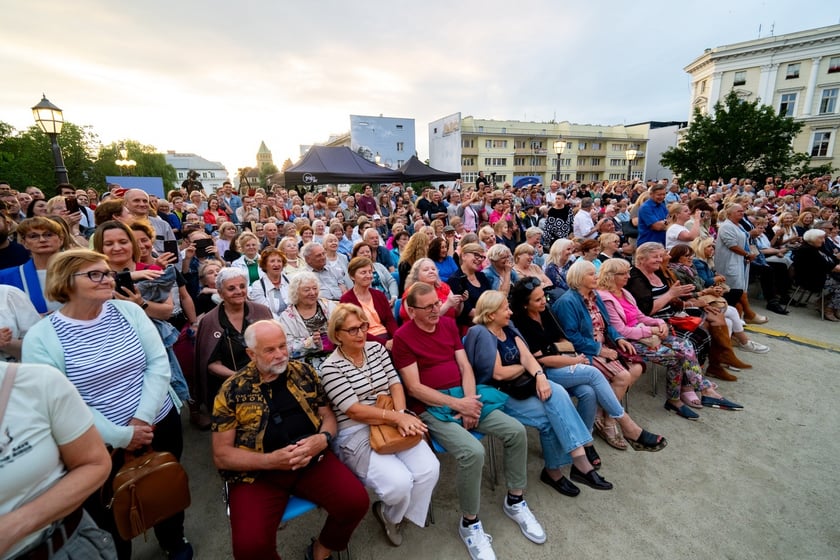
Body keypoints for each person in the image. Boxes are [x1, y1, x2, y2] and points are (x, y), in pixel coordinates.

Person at [22, 249, 193, 560]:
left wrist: (141, 420)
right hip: (93, 442)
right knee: (109, 511)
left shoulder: (129, 312)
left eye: (107, 273)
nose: (108, 279)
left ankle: (173, 538)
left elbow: (157, 365)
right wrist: (121, 436)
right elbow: (59, 401)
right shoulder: (41, 337)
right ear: (65, 281)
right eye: (95, 274)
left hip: (158, 421)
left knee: (165, 485)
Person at [392, 282, 547, 560]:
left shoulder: (448, 325)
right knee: (473, 452)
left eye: (436, 303)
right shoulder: (403, 337)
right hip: (432, 407)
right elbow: (414, 388)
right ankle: (470, 522)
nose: (435, 310)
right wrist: (457, 404)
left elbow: (465, 366)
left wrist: (468, 401)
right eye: (427, 307)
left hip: (467, 397)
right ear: (410, 310)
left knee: (515, 431)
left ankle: (515, 500)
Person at [211, 320, 368, 560]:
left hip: (311, 459)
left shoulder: (303, 372)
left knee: (355, 503)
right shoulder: (231, 390)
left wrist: (323, 438)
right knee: (249, 548)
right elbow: (222, 456)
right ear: (251, 354)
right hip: (258, 475)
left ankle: (321, 551)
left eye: (282, 346)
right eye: (270, 350)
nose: (280, 354)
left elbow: (327, 415)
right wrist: (271, 461)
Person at [465, 291, 614, 497]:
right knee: (550, 418)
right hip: (500, 394)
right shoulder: (480, 333)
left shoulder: (507, 328)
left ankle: (577, 459)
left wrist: (540, 376)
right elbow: (498, 373)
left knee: (557, 391)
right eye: (505, 309)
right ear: (490, 315)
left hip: (522, 386)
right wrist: (528, 369)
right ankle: (560, 469)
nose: (510, 312)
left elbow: (528, 357)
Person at [320, 304, 439, 547]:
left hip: (392, 418)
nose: (361, 333)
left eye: (363, 326)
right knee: (399, 483)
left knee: (429, 469)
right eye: (352, 330)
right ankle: (394, 509)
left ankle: (393, 516)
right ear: (337, 334)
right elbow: (353, 410)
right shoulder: (330, 368)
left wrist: (401, 413)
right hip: (356, 430)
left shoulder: (376, 349)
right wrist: (397, 418)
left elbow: (395, 384)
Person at [510, 276, 666, 461]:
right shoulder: (521, 322)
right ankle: (628, 426)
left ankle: (586, 442)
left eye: (543, 296)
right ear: (525, 305)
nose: (544, 300)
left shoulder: (545, 311)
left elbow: (563, 339)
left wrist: (568, 354)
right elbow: (540, 359)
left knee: (588, 392)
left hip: (563, 361)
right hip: (542, 372)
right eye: (537, 299)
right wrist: (573, 361)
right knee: (593, 373)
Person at [597, 258, 742, 420]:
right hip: (626, 342)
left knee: (686, 345)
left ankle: (697, 391)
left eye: (627, 273)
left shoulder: (624, 292)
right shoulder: (606, 298)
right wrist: (652, 330)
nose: (628, 277)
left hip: (643, 334)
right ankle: (682, 397)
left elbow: (640, 316)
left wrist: (659, 323)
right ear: (610, 276)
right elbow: (621, 330)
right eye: (623, 274)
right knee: (676, 357)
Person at [0, 361, 115, 560]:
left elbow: (95, 463)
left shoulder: (37, 382)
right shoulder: (41, 339)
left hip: (61, 544)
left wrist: (14, 526)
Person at [552, 260, 646, 445]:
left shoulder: (595, 296)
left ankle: (603, 416)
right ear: (579, 278)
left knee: (634, 368)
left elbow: (608, 325)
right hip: (584, 352)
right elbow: (571, 337)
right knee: (623, 377)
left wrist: (619, 339)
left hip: (605, 347)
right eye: (591, 274)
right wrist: (599, 350)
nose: (596, 277)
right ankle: (610, 423)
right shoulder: (567, 302)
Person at [195, 267, 273, 412]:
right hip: (231, 388)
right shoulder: (209, 321)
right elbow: (211, 363)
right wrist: (241, 377)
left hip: (268, 381)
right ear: (220, 293)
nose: (238, 291)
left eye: (242, 286)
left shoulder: (262, 311)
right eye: (231, 288)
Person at [0, 217, 65, 315]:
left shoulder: (80, 270)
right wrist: (29, 321)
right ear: (24, 243)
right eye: (33, 236)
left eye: (48, 235)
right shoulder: (6, 277)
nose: (42, 240)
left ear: (61, 239)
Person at [340, 257, 398, 349]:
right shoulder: (347, 300)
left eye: (370, 272)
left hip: (388, 336)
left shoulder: (379, 295)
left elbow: (389, 320)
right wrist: (384, 343)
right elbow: (354, 330)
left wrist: (396, 338)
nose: (368, 275)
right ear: (352, 276)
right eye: (363, 272)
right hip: (365, 340)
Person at [277, 271, 337, 359]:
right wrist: (310, 342)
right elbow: (287, 347)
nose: (312, 293)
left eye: (315, 288)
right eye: (307, 290)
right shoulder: (287, 317)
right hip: (306, 362)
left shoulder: (329, 306)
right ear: (296, 292)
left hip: (336, 355)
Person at [793, 229, 840, 321]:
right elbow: (830, 266)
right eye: (821, 238)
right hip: (811, 279)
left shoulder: (819, 248)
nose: (823, 241)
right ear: (812, 239)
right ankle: (829, 309)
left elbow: (832, 260)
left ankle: (826, 304)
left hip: (823, 275)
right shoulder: (807, 250)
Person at [446, 243, 493, 335]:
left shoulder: (481, 276)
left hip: (489, 320)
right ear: (463, 256)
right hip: (471, 328)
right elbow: (468, 312)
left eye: (482, 257)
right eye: (476, 255)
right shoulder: (455, 280)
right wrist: (493, 316)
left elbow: (491, 299)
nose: (479, 259)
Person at [399, 258, 463, 322]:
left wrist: (460, 303)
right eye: (426, 270)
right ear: (416, 275)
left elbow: (456, 314)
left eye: (433, 269)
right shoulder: (411, 292)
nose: (431, 271)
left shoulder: (443, 286)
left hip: (449, 326)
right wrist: (447, 305)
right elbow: (419, 321)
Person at [248, 248, 289, 320]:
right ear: (264, 265)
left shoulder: (291, 281)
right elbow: (265, 312)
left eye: (279, 261)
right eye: (272, 261)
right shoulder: (258, 286)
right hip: (271, 323)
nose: (276, 264)